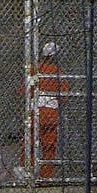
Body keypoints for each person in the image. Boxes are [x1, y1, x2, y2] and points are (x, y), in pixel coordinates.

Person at [18, 42, 70, 179]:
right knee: (49, 145)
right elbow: (64, 93)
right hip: (51, 112)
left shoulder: (35, 70)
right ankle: (46, 175)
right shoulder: (57, 72)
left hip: (35, 111)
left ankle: (27, 171)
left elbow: (23, 91)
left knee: (29, 142)